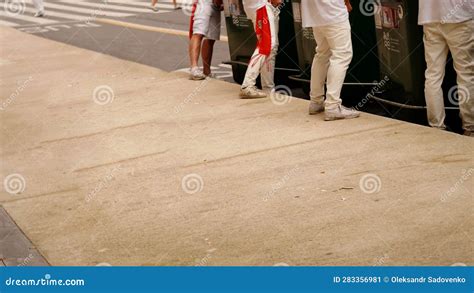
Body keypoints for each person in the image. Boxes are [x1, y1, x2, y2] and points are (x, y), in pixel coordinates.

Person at [418, 0, 474, 136]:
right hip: (461, 17)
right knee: (465, 74)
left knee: (433, 74)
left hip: (430, 17)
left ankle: (436, 127)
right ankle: (470, 128)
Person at [301, 0, 360, 121]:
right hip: (333, 11)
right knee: (342, 55)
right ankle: (332, 106)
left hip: (315, 13)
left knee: (322, 54)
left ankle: (316, 101)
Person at [239, 0, 281, 99]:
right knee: (267, 45)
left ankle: (268, 88)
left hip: (262, 6)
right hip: (262, 6)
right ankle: (247, 85)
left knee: (271, 48)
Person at [188, 0, 223, 80]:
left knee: (211, 37)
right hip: (204, 2)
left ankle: (207, 71)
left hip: (217, 5)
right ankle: (194, 68)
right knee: (198, 33)